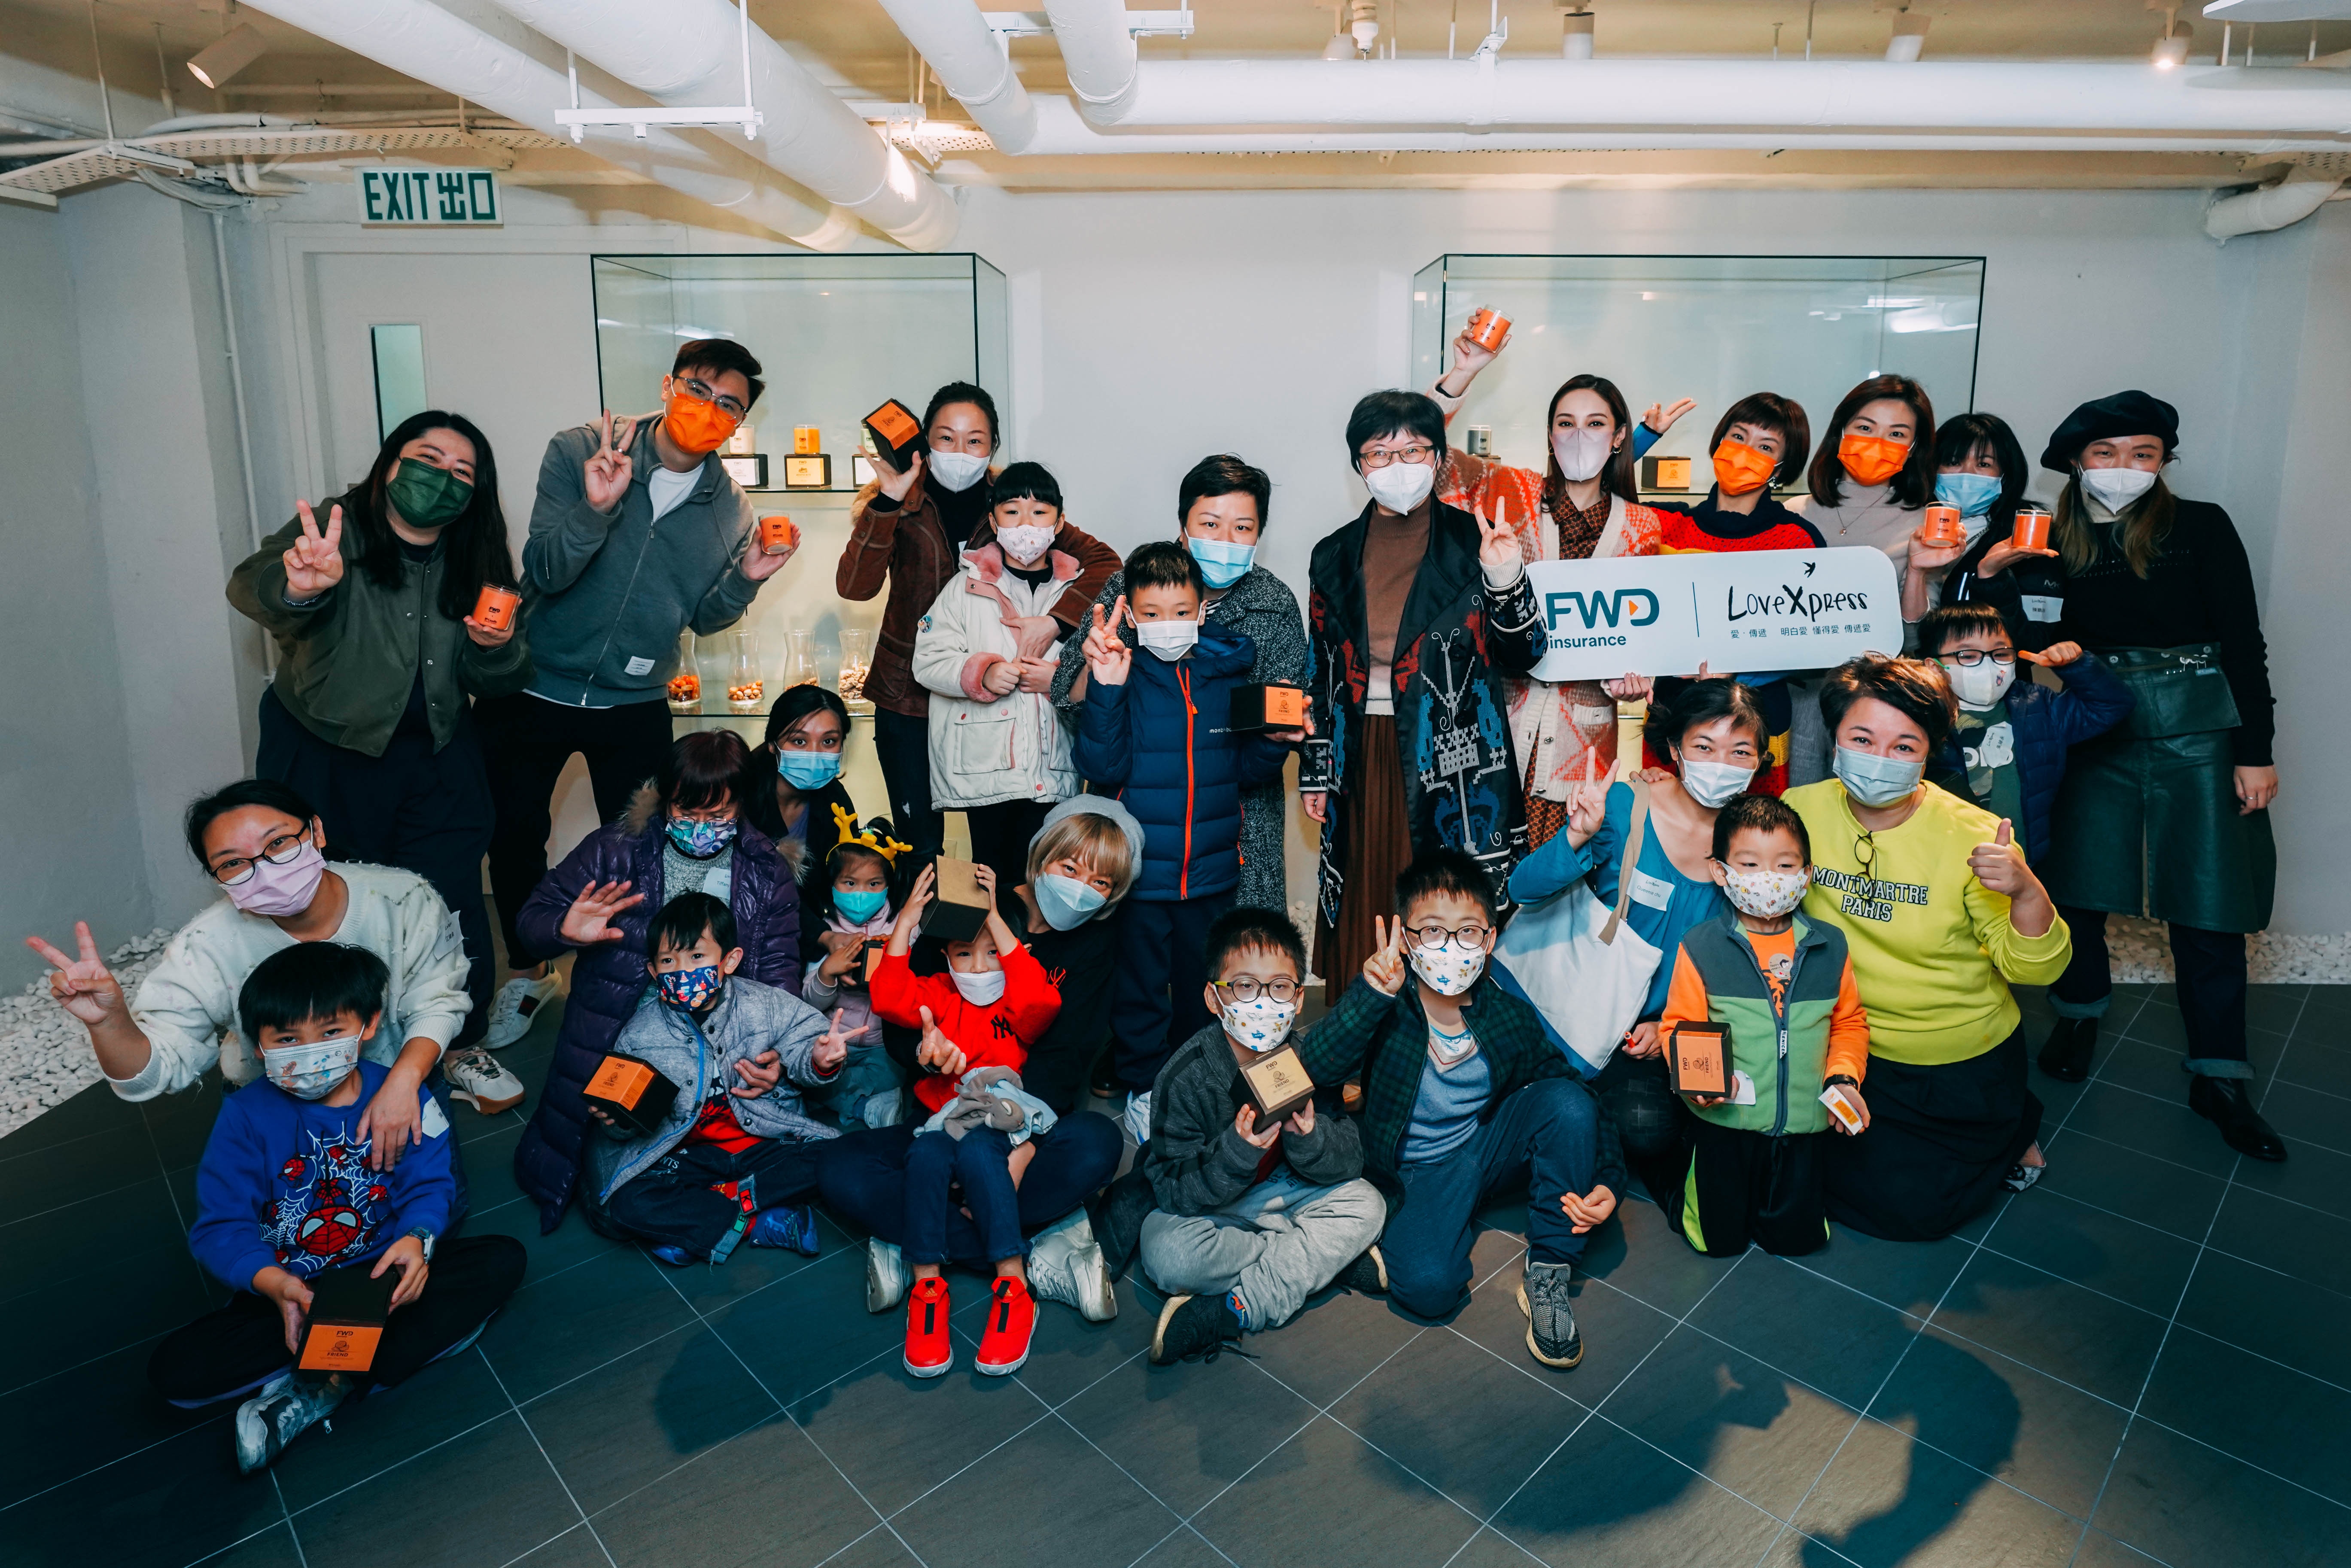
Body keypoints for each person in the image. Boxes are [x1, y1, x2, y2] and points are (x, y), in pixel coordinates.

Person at [1971, 394, 2281, 1156]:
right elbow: (2016, 641)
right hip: (2093, 723)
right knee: (2077, 890)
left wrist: (2256, 750)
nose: (2124, 468)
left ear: (2162, 462)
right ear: (2077, 464)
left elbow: (2243, 639)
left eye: (2143, 454)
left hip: (2198, 726)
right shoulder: (2047, 541)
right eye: (2106, 454)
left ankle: (2219, 1076)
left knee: (2208, 907)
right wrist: (1992, 575)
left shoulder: (2201, 527)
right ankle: (2078, 1016)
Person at [478, 339, 795, 1050]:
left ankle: (636, 979)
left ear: (739, 422)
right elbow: (545, 570)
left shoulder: (730, 510)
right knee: (514, 834)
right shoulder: (582, 450)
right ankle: (528, 972)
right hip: (533, 682)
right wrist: (597, 508)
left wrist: (748, 578)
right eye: (698, 389)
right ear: (667, 385)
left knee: (646, 846)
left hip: (635, 699)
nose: (709, 410)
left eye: (728, 405)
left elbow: (704, 617)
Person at [147, 942, 524, 1473]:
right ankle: (361, 1364)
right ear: (259, 1044)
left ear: (368, 1024)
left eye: (330, 1032)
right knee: (176, 1372)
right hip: (291, 1291)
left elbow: (431, 1185)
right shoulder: (244, 1117)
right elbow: (221, 1228)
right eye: (287, 1039)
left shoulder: (402, 1095)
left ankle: (319, 1384)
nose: (310, 1051)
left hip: (381, 1279)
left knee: (502, 1259)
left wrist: (418, 1239)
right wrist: (277, 1286)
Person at [227, 411, 528, 1051]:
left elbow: (499, 679)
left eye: (462, 472)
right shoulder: (334, 527)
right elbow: (253, 586)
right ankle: (319, 1041)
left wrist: (495, 648)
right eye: (428, 459)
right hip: (324, 749)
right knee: (324, 902)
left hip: (438, 754)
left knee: (448, 902)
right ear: (390, 463)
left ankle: (457, 1044)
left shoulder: (477, 555)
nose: (443, 478)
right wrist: (300, 587)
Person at [25, 778, 477, 1168]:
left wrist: (403, 1082)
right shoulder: (206, 946)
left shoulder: (402, 898)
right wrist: (110, 1023)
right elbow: (153, 1074)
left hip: (401, 1078)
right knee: (297, 1224)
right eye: (233, 863)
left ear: (317, 831)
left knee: (429, 1206)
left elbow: (438, 1001)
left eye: (278, 843)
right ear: (217, 877)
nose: (266, 870)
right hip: (278, 1105)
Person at [1295, 850, 1626, 1372]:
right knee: (1430, 1289)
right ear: (1407, 939)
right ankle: (1391, 1241)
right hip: (1415, 1170)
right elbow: (1314, 1067)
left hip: (1483, 1146)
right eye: (1432, 931)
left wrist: (1607, 1177)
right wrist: (1371, 995)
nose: (1450, 947)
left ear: (1489, 940)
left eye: (1467, 932)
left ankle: (1549, 1271)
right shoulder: (1388, 1008)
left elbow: (1571, 1088)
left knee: (1566, 1102)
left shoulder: (1508, 1015)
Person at [1785, 656, 2072, 1241]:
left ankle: (2013, 1123)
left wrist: (2026, 890)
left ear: (1928, 752)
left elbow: (2032, 968)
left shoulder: (1975, 834)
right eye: (1861, 739)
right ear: (1834, 737)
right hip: (1844, 1044)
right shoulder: (1799, 810)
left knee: (1910, 1213)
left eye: (1903, 745)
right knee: (1791, 1173)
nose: (1879, 758)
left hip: (1953, 1060)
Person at [818, 805, 1136, 1325]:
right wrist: (926, 1055)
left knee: (1099, 1143)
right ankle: (1037, 1247)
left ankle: (915, 1241)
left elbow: (1064, 1049)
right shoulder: (971, 906)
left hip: (1021, 1118)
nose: (1082, 887)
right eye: (1070, 867)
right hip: (939, 1120)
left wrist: (1019, 1147)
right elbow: (904, 1005)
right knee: (838, 1166)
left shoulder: (1088, 946)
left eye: (1102, 881)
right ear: (1041, 858)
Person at [1302, 390, 1547, 1005]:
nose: (1398, 465)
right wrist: (1315, 769)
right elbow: (1319, 672)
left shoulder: (1475, 538)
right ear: (1358, 464)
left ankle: (1445, 1034)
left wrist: (1504, 575)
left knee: (1446, 903)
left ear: (1438, 458)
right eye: (1379, 453)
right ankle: (1361, 1033)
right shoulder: (1331, 554)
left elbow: (1525, 653)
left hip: (1453, 751)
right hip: (1362, 749)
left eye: (1413, 450)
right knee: (1364, 888)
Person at [507, 730, 802, 1231]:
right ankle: (725, 1202)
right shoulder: (614, 849)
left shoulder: (764, 868)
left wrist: (774, 1047)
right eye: (686, 812)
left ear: (742, 806)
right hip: (627, 1040)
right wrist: (563, 928)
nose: (701, 827)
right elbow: (530, 922)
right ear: (666, 800)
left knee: (789, 1143)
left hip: (721, 1042)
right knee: (610, 1189)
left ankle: (703, 1199)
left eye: (719, 815)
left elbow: (778, 968)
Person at [1505, 681, 1770, 1206]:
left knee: (1648, 1128)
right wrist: (1577, 836)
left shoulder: (1752, 842)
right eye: (1704, 746)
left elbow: (1736, 956)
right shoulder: (1628, 804)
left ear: (1760, 761)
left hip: (1645, 1032)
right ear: (1674, 748)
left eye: (1741, 751)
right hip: (1567, 1007)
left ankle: (1581, 1123)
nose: (1722, 764)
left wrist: (1666, 1025)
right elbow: (1523, 889)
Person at [1074, 541, 1302, 1140]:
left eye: (1179, 611)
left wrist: (1274, 741)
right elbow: (1100, 765)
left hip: (1210, 872)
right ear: (1131, 613)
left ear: (1201, 611)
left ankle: (1197, 1090)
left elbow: (1244, 770)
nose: (1166, 624)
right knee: (1141, 995)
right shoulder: (1121, 671)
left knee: (1202, 994)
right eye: (1151, 614)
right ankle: (1145, 1092)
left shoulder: (1226, 674)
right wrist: (1105, 688)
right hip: (1140, 876)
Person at [838, 381, 1119, 861]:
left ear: (993, 447)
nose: (959, 451)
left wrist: (1055, 621)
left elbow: (1106, 565)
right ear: (926, 441)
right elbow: (854, 587)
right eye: (946, 438)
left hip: (993, 702)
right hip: (908, 694)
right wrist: (887, 501)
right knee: (921, 847)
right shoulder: (900, 501)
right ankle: (924, 915)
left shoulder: (1011, 503)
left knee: (998, 845)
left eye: (975, 441)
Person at [1426, 326, 1685, 837]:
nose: (1579, 435)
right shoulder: (1511, 490)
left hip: (1580, 755)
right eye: (1566, 423)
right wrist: (1463, 372)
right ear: (1550, 435)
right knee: (1480, 877)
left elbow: (1633, 636)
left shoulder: (1642, 526)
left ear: (1619, 437)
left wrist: (1634, 681)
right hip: (1495, 735)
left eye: (1595, 424)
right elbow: (1431, 460)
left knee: (1560, 879)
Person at [1052, 454, 1306, 913]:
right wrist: (1095, 667)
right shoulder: (1131, 587)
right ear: (1183, 526)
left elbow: (1275, 725)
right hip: (1139, 821)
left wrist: (1280, 725)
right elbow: (1068, 701)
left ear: (1259, 535)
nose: (1224, 540)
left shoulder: (1273, 603)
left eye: (1242, 528)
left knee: (1238, 949)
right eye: (1210, 524)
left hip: (1239, 822)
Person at [1140, 908, 1387, 1366]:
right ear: (1214, 998)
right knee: (1168, 1254)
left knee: (1368, 1204)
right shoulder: (1184, 1077)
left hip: (1290, 1191)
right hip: (1217, 1211)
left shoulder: (1307, 1058)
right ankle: (1314, 1257)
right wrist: (1234, 1153)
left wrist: (1310, 1137)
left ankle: (1234, 1308)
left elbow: (1349, 1158)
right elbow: (1172, 1189)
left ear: (1298, 999)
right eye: (1244, 986)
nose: (1263, 1002)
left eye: (1279, 987)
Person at [864, 861, 1062, 1377]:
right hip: (938, 1119)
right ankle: (927, 1286)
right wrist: (905, 923)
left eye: (993, 952)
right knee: (925, 1155)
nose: (979, 967)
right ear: (946, 958)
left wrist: (994, 915)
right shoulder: (939, 993)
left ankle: (1014, 1283)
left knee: (978, 1153)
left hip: (993, 1125)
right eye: (964, 953)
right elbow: (887, 997)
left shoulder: (1017, 999)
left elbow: (1042, 1002)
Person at [1658, 795, 1871, 1257]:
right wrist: (1701, 1082)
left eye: (1785, 864)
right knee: (1715, 1241)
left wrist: (1844, 1077)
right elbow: (1679, 1027)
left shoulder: (1830, 945)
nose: (1768, 878)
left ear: (1806, 874)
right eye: (1750, 864)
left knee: (1800, 1241)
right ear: (1720, 871)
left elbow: (1849, 1023)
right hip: (1726, 1125)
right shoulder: (1701, 946)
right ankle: (1675, 1179)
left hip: (1804, 1126)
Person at [583, 893, 846, 1266]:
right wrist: (618, 1122)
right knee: (623, 1204)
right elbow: (628, 1123)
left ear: (730, 961)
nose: (682, 971)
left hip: (763, 1142)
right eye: (668, 961)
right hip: (686, 1156)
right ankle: (755, 1221)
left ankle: (701, 1217)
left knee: (835, 1157)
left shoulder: (765, 1004)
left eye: (696, 957)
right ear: (654, 972)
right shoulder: (639, 1035)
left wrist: (819, 1059)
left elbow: (805, 1041)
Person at [909, 460, 1098, 904]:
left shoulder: (1079, 592)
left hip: (1055, 768)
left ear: (1060, 522)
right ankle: (990, 950)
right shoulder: (964, 588)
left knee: (1046, 883)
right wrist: (983, 672)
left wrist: (1059, 679)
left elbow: (1101, 667)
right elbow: (928, 660)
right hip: (986, 771)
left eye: (1039, 513)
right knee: (989, 885)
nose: (1025, 525)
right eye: (1012, 513)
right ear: (994, 523)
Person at [1648, 392, 1821, 794]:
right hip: (1672, 713)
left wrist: (1738, 668)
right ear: (1718, 443)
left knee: (1752, 830)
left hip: (1757, 722)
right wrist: (1644, 437)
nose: (1745, 453)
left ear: (1782, 466)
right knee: (1664, 822)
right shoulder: (1663, 523)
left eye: (1766, 447)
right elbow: (1591, 500)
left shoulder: (1796, 540)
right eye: (1738, 437)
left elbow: (1812, 646)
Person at [1788, 375, 1938, 783]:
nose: (1877, 442)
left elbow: (1913, 638)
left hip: (1878, 704)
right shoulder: (1793, 512)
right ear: (1840, 431)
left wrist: (1917, 571)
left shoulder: (1926, 523)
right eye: (1865, 427)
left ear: (1913, 448)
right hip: (1797, 698)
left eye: (1896, 434)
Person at [1916, 604, 2133, 865]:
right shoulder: (1920, 717)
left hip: (2024, 861)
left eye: (2000, 653)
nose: (1989, 664)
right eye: (1969, 655)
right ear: (1934, 666)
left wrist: (2077, 666)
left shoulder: (2039, 707)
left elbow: (2112, 705)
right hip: (1944, 863)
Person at [800, 810, 916, 1131]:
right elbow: (808, 1002)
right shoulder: (824, 932)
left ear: (888, 885)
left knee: (896, 1070)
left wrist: (897, 953)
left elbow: (917, 986)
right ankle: (866, 1106)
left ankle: (857, 1100)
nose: (860, 893)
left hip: (882, 1045)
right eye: (849, 883)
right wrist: (827, 973)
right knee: (811, 1074)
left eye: (874, 884)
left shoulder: (905, 927)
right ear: (833, 884)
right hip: (835, 1041)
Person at [1899, 411, 2034, 625]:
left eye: (1984, 464)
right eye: (1953, 462)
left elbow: (2033, 634)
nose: (1966, 474)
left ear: (2005, 475)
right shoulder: (1908, 525)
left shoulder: (2025, 534)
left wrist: (1991, 576)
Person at [741, 683, 859, 879]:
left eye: (828, 741)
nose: (814, 754)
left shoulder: (836, 800)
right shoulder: (742, 797)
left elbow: (846, 876)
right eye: (799, 741)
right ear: (772, 745)